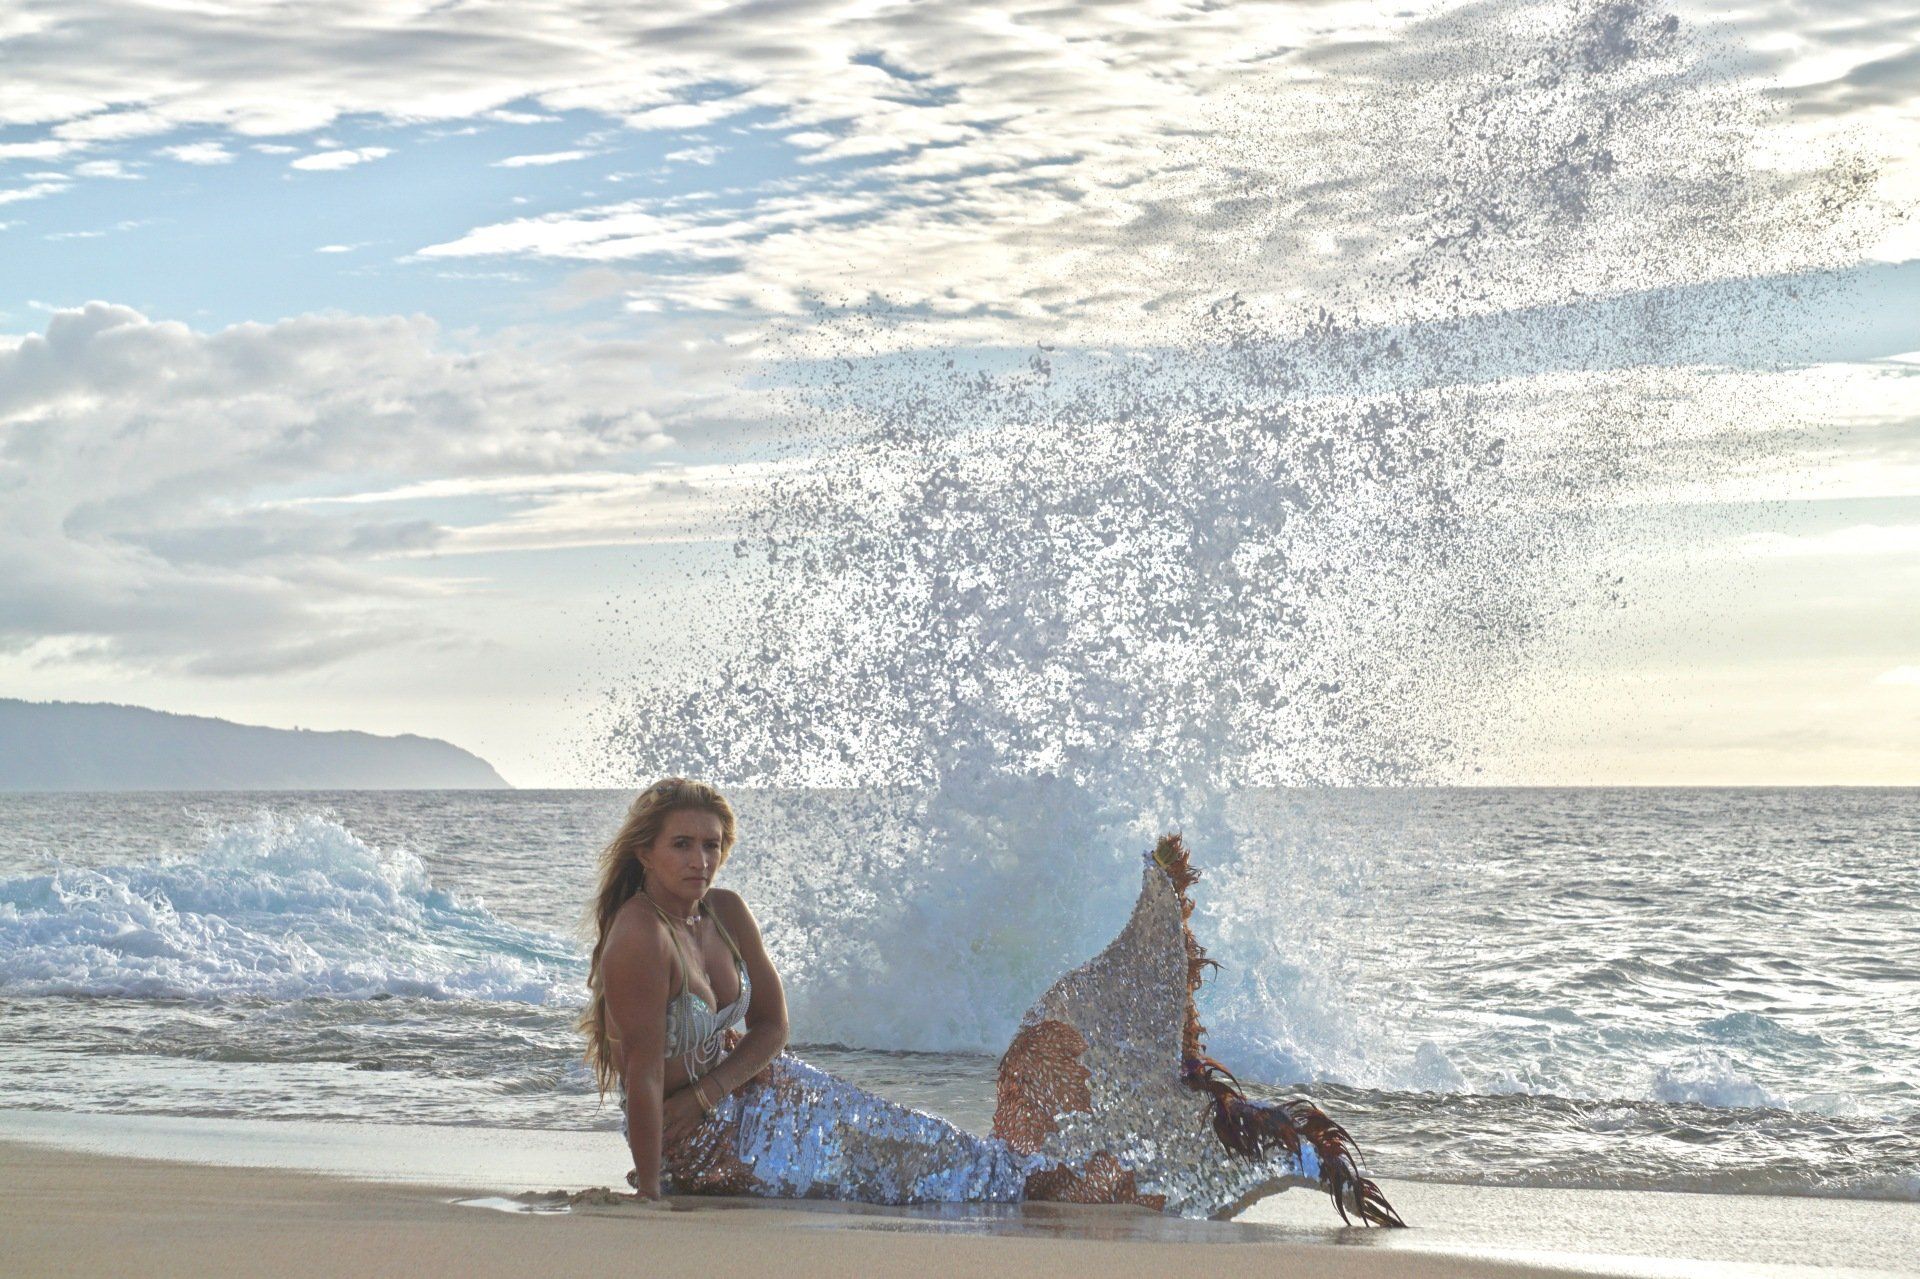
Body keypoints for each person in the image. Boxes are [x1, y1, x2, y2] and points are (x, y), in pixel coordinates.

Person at [580, 777, 1403, 1225]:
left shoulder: (723, 912)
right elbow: (646, 1083)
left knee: (954, 1156)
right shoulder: (638, 940)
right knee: (942, 1184)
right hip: (710, 1144)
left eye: (713, 844)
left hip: (778, 1096)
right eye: (683, 845)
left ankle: (1230, 1154)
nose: (701, 860)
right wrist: (652, 1195)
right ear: (645, 851)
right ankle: (1181, 1175)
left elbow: (773, 1028)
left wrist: (730, 1080)